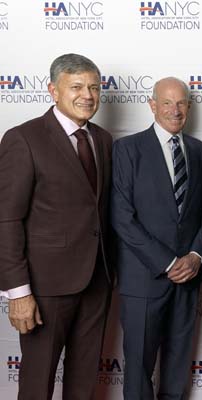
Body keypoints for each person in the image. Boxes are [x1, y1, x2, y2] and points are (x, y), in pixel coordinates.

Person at [0, 53, 113, 399]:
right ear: (53, 90)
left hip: (97, 280)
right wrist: (18, 293)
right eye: (76, 86)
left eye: (94, 87)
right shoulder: (24, 139)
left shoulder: (103, 140)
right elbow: (7, 219)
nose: (88, 95)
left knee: (83, 381)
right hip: (44, 288)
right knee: (38, 381)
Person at [111, 77, 202, 399]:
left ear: (189, 106)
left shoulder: (200, 151)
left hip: (188, 280)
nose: (175, 109)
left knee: (176, 369)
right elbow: (122, 217)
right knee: (139, 370)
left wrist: (197, 256)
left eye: (181, 102)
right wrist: (169, 262)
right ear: (153, 105)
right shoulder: (128, 149)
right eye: (167, 102)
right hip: (144, 280)